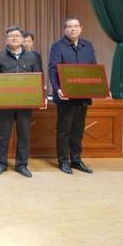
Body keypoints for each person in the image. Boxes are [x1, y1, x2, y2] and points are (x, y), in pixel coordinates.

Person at [0, 26, 43, 178]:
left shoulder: (31, 57)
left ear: (22, 38)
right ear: (7, 39)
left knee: (24, 134)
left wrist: (40, 95)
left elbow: (38, 76)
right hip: (4, 102)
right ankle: (1, 163)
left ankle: (21, 164)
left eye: (17, 35)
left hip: (25, 102)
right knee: (3, 134)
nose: (14, 38)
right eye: (11, 36)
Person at [48, 17, 97, 174]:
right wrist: (57, 88)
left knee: (78, 130)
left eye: (76, 26)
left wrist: (100, 87)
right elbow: (53, 70)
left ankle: (76, 160)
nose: (73, 29)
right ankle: (63, 161)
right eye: (69, 26)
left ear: (81, 28)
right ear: (65, 29)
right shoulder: (57, 46)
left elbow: (94, 69)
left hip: (83, 95)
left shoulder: (87, 46)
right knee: (64, 130)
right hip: (66, 96)